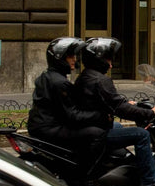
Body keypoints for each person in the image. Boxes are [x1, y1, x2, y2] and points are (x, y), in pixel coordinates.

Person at [73, 37, 155, 186]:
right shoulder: (101, 80)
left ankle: (125, 163)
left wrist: (128, 103)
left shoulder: (85, 76)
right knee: (142, 135)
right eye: (108, 59)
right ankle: (150, 183)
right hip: (98, 131)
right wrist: (151, 113)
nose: (111, 64)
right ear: (98, 59)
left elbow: (106, 101)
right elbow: (119, 109)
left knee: (119, 127)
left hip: (91, 127)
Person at [27, 38, 105, 167]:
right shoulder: (60, 82)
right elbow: (73, 115)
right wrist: (99, 115)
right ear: (59, 58)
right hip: (50, 128)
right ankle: (86, 175)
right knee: (97, 133)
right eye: (70, 56)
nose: (74, 59)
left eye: (74, 55)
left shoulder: (47, 76)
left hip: (40, 126)